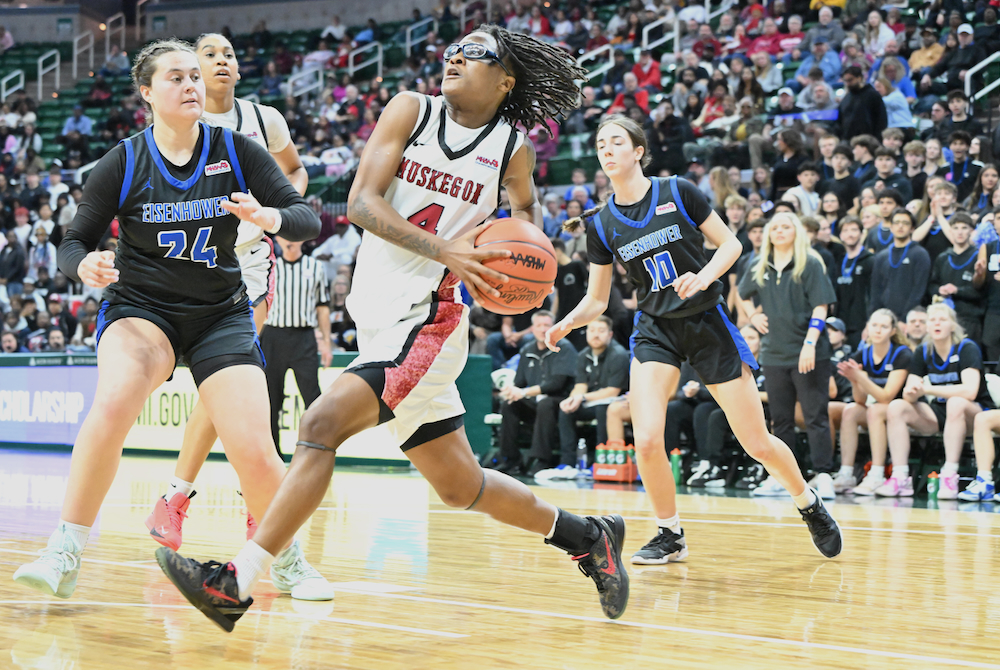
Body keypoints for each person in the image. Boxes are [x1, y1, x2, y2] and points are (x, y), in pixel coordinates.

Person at [156, 28, 632, 629]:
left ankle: (236, 582)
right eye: (453, 49)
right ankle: (588, 536)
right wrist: (448, 248)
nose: (455, 56)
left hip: (429, 319)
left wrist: (516, 262)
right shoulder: (412, 110)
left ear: (505, 80)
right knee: (460, 486)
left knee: (319, 425)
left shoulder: (512, 148)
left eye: (475, 53)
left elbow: (526, 215)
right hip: (379, 314)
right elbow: (361, 203)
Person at [12, 39, 331, 603]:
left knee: (255, 447)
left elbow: (306, 217)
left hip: (219, 313)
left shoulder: (236, 149)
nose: (191, 86)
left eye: (194, 77)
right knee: (114, 402)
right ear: (146, 92)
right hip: (142, 310)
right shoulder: (124, 160)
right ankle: (64, 549)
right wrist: (82, 264)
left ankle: (287, 560)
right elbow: (73, 241)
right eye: (176, 78)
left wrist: (270, 216)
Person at [549, 115, 842, 566]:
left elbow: (731, 245)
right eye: (600, 143)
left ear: (639, 151)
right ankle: (670, 534)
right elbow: (597, 299)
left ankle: (808, 502)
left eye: (616, 141)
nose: (606, 149)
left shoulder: (677, 190)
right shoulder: (602, 224)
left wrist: (703, 276)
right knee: (647, 440)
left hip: (706, 322)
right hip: (656, 330)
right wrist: (565, 323)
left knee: (757, 443)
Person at [144, 32, 310, 552]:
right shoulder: (175, 127)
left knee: (227, 382)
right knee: (222, 391)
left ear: (238, 70)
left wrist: (276, 212)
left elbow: (295, 171)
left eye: (228, 55)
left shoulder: (264, 120)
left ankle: (181, 495)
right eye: (208, 55)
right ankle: (235, 497)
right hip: (191, 266)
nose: (220, 61)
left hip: (249, 264)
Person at [738, 213, 839, 500]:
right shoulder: (759, 264)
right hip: (774, 353)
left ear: (796, 232)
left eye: (786, 227)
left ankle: (823, 475)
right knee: (780, 420)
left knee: (815, 416)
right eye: (775, 228)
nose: (780, 232)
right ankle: (782, 478)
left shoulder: (810, 263)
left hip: (809, 352)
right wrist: (753, 315)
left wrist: (810, 343)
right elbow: (742, 293)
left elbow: (821, 306)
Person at [880, 303, 994, 498]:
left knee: (956, 403)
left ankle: (949, 474)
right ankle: (900, 476)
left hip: (975, 412)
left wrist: (928, 389)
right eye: (932, 320)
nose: (937, 323)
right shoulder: (923, 351)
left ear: (953, 325)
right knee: (897, 407)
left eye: (942, 320)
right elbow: (909, 393)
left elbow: (970, 391)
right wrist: (912, 392)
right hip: (941, 412)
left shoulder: (966, 348)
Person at [534, 316, 629, 481]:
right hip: (591, 401)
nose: (596, 335)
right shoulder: (583, 355)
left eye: (601, 331)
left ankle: (599, 460)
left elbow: (612, 391)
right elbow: (580, 385)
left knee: (603, 409)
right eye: (592, 330)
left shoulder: (618, 354)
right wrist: (572, 399)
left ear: (610, 334)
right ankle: (568, 463)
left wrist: (582, 397)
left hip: (614, 403)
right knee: (566, 410)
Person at [836, 309, 913, 494]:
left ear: (893, 331)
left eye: (884, 326)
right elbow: (860, 399)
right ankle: (846, 473)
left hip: (903, 410)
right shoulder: (862, 354)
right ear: (867, 327)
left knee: (876, 409)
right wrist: (854, 380)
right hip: (879, 409)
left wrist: (860, 377)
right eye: (874, 325)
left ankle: (877, 473)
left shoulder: (902, 354)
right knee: (851, 410)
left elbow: (887, 397)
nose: (878, 330)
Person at [495, 311, 579, 475]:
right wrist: (511, 391)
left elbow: (556, 384)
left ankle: (541, 460)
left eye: (546, 325)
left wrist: (524, 392)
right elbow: (519, 382)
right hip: (534, 402)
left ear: (554, 327)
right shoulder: (527, 349)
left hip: (560, 402)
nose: (542, 329)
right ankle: (511, 459)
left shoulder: (564, 347)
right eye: (538, 325)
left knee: (545, 403)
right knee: (509, 404)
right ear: (532, 329)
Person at [928, 212, 985, 341]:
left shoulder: (978, 256)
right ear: (950, 231)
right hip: (945, 318)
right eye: (956, 228)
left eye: (964, 228)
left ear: (971, 231)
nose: (960, 232)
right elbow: (932, 285)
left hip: (970, 318)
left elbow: (981, 291)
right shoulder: (943, 257)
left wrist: (957, 290)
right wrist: (939, 290)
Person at [870, 208, 932, 320]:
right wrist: (874, 318)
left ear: (912, 228)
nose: (900, 226)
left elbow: (919, 290)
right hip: (885, 319)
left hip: (910, 319)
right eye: (896, 222)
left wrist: (904, 319)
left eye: (905, 223)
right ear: (891, 227)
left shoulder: (920, 254)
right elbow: (875, 291)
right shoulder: (881, 256)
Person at [833, 216, 873, 349]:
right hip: (840, 325)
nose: (850, 234)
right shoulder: (838, 261)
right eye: (845, 230)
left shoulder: (870, 261)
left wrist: (869, 322)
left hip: (861, 324)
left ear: (861, 234)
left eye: (854, 230)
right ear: (840, 235)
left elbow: (874, 294)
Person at [835, 67, 887, 142]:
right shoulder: (847, 98)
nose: (847, 84)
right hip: (847, 140)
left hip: (869, 140)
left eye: (850, 80)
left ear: (859, 78)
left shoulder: (872, 95)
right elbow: (840, 119)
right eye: (845, 81)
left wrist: (877, 139)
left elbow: (881, 119)